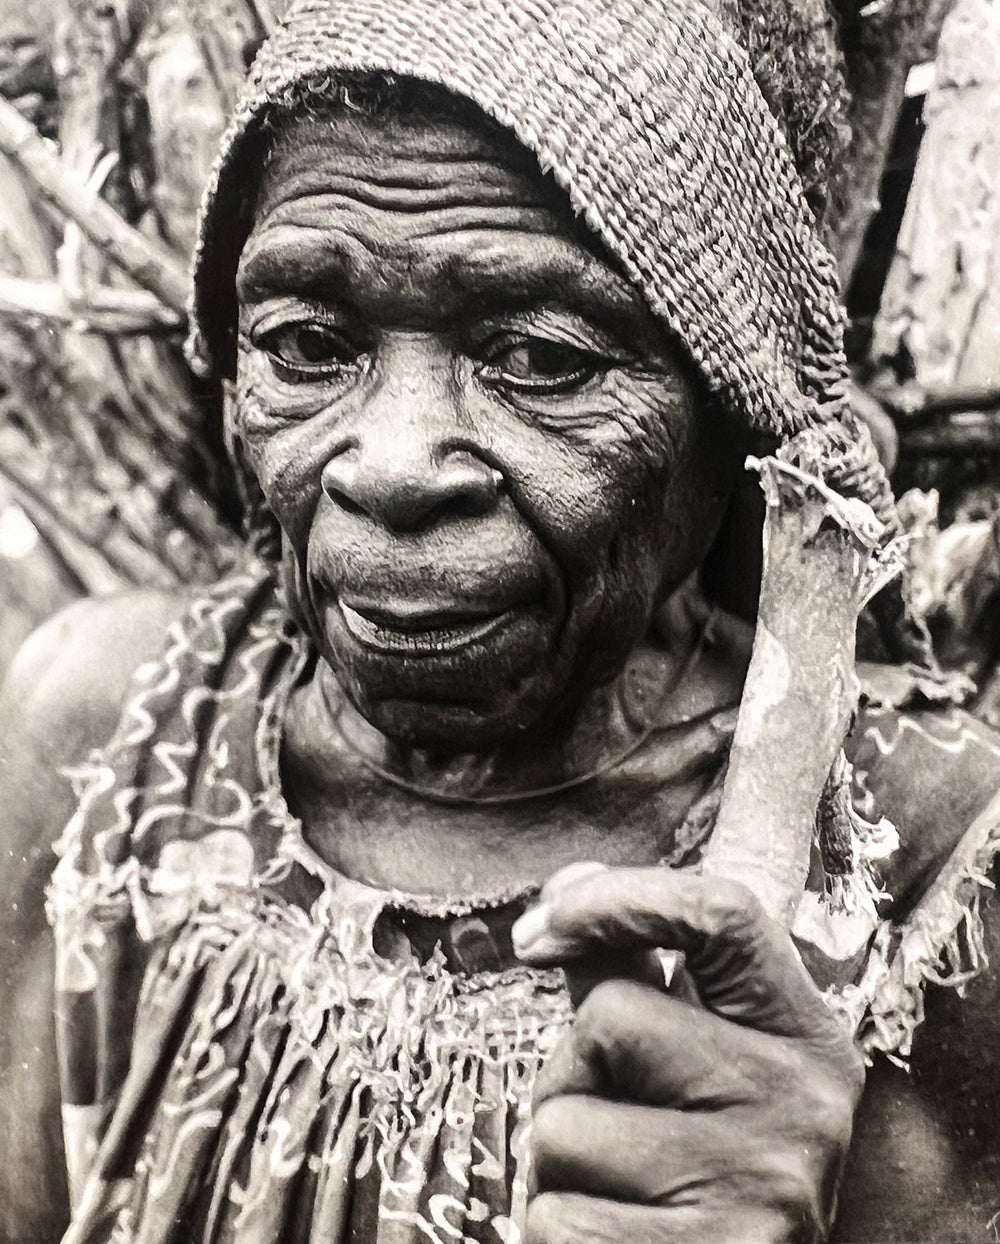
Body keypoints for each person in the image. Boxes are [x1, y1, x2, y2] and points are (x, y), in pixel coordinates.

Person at [2, 1, 1000, 1240]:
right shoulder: (102, 736)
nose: (393, 466)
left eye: (541, 358)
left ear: (735, 407)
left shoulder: (934, 867)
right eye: (307, 344)